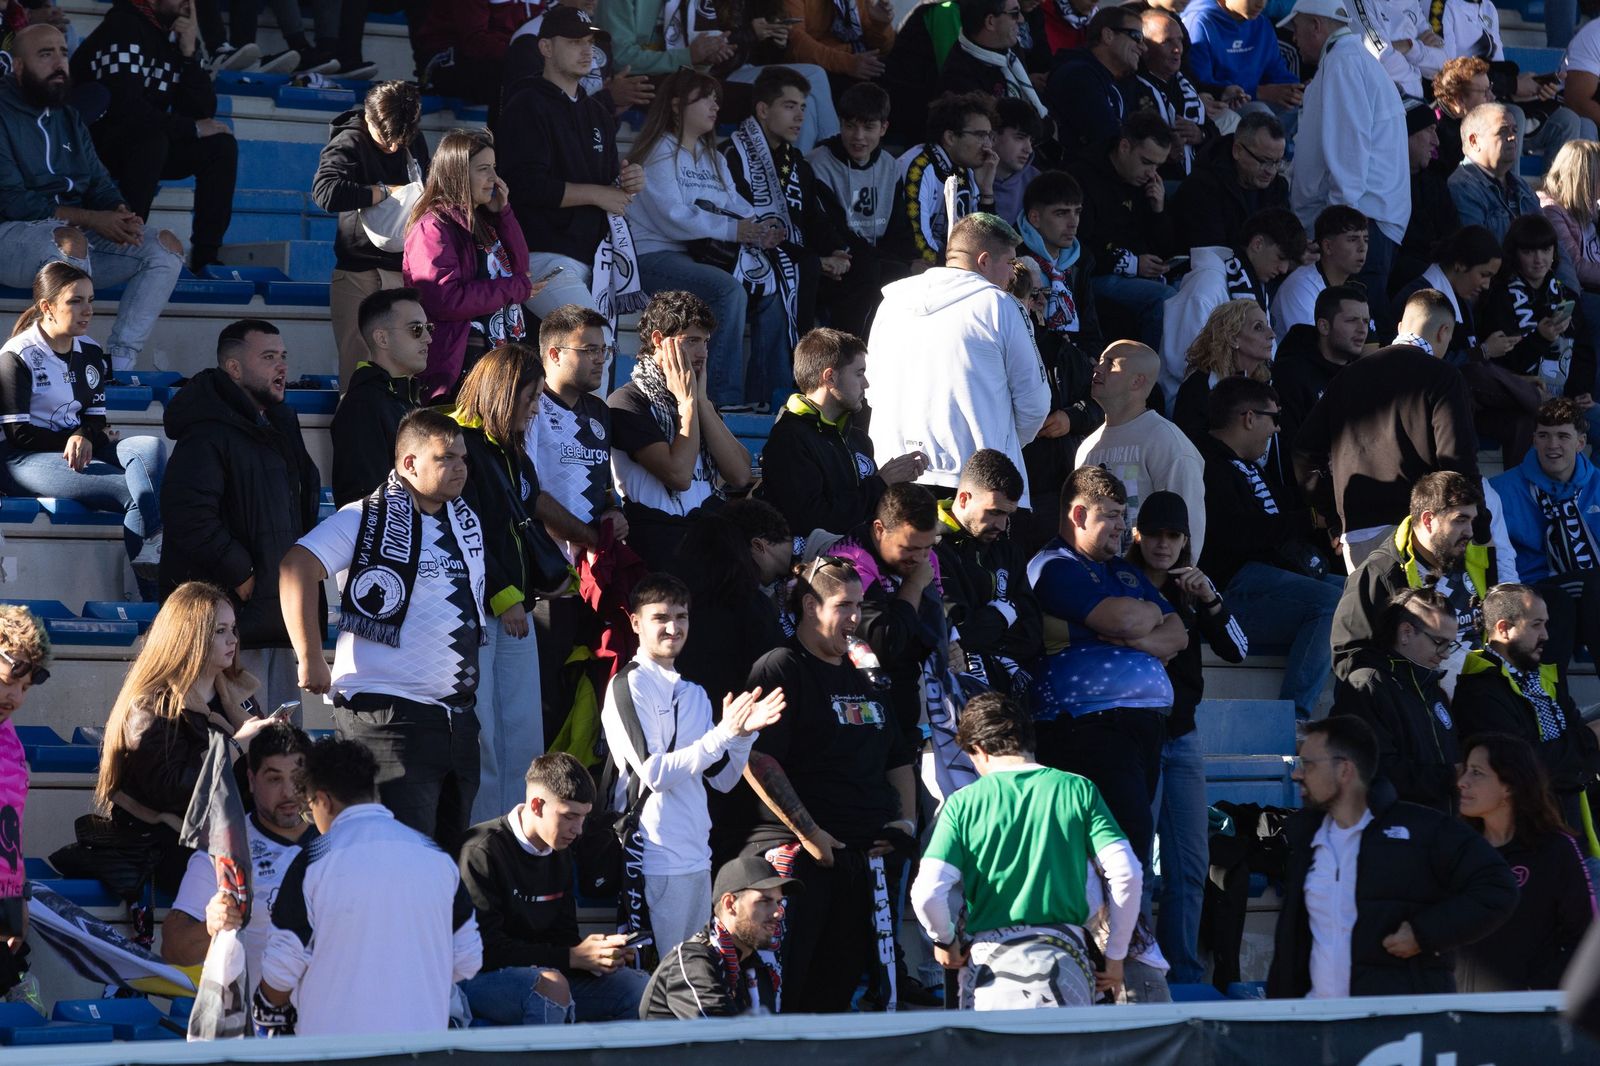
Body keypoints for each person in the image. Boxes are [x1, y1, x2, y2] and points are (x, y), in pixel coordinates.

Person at [280, 410, 488, 853]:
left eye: (463, 458)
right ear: (409, 464)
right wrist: (310, 656)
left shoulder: (465, 523)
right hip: (387, 720)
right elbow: (296, 567)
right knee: (394, 861)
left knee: (445, 869)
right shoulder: (364, 517)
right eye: (445, 457)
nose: (459, 468)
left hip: (456, 722)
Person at [740, 557, 917, 1014]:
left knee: (842, 996)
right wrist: (811, 835)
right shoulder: (782, 666)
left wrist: (906, 821)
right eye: (844, 605)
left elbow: (898, 755)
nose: (856, 617)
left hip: (867, 857)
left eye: (860, 605)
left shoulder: (865, 667)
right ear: (809, 606)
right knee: (790, 991)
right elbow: (758, 760)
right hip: (801, 856)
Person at [910, 691, 1141, 1009]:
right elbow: (1127, 874)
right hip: (1068, 957)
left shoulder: (962, 803)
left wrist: (944, 940)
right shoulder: (1078, 789)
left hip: (989, 966)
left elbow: (927, 892)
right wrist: (1115, 954)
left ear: (978, 750)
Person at [1267, 715, 1518, 998]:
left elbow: (1498, 887)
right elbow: (1293, 950)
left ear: (1345, 770)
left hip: (1397, 1031)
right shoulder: (1306, 840)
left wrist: (1425, 933)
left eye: (1308, 765)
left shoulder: (1423, 830)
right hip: (1320, 1031)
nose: (1297, 774)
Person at [601, 573, 785, 953]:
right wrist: (722, 734)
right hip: (650, 857)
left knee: (692, 976)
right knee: (659, 982)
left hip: (697, 856)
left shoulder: (695, 693)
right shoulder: (628, 684)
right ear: (635, 622)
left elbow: (722, 780)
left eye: (681, 617)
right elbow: (652, 773)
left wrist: (742, 735)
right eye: (661, 618)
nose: (673, 627)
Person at [255, 737, 482, 1037]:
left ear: (322, 800)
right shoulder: (436, 857)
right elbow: (469, 959)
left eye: (310, 808)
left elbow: (282, 968)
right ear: (373, 792)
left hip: (335, 1050)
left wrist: (266, 1006)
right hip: (423, 1047)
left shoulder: (313, 860)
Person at [1027, 464, 1188, 867]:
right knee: (1122, 854)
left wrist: (1137, 626)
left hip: (1140, 728)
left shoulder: (1123, 571)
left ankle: (1123, 929)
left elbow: (1178, 634)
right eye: (1111, 515)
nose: (1122, 526)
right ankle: (1117, 931)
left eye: (1123, 514)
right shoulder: (1053, 565)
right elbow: (1123, 620)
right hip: (1089, 726)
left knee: (1130, 853)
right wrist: (1142, 622)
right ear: (1079, 515)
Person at [160, 320, 322, 716]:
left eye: (283, 357)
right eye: (268, 358)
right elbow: (189, 514)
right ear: (233, 368)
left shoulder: (280, 423)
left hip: (274, 610)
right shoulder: (206, 430)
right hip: (226, 619)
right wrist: (244, 573)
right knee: (236, 739)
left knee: (281, 741)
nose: (281, 367)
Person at [0, 25, 181, 374]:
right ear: (18, 66)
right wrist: (93, 219)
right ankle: (65, 365)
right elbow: (11, 201)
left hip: (70, 236)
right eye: (45, 54)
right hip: (11, 236)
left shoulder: (67, 115)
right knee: (71, 241)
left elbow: (98, 181)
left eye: (63, 53)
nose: (58, 62)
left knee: (164, 248)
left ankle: (119, 363)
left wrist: (120, 212)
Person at [1126, 491, 1244, 984]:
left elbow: (1238, 650)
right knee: (1135, 871)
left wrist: (1210, 600)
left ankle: (1185, 976)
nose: (1163, 544)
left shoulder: (1194, 586)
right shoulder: (1119, 580)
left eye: (1174, 536)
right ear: (1138, 535)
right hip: (1136, 739)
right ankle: (1136, 973)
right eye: (1155, 534)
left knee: (1191, 866)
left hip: (1185, 737)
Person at [92, 582, 270, 902]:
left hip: (228, 833)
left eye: (233, 629)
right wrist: (235, 749)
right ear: (190, 637)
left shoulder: (238, 695)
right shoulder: (151, 705)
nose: (233, 639)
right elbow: (171, 789)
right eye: (219, 631)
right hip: (168, 844)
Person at [625, 70, 787, 411]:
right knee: (728, 290)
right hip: (656, 256)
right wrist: (733, 231)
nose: (715, 106)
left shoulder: (710, 154)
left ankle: (769, 397)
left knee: (774, 289)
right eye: (706, 98)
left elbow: (735, 204)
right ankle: (722, 399)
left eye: (717, 99)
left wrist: (763, 227)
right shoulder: (658, 151)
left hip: (703, 256)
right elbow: (671, 218)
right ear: (676, 105)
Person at [866, 213, 1049, 505]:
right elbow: (1035, 404)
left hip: (893, 474)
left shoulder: (891, 302)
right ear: (985, 261)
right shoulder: (1001, 306)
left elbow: (870, 388)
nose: (1012, 276)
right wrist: (1003, 443)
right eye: (1009, 264)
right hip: (976, 487)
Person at [448, 344, 559, 826]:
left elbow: (522, 522)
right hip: (480, 614)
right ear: (503, 392)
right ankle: (482, 839)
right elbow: (463, 530)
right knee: (486, 738)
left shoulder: (508, 449)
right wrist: (504, 594)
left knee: (522, 733)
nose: (535, 409)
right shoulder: (459, 446)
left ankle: (520, 833)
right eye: (530, 397)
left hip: (516, 610)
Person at [455, 751, 650, 1025]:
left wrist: (598, 955)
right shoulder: (480, 850)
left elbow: (563, 937)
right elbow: (484, 951)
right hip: (478, 981)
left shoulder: (560, 849)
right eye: (570, 816)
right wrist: (571, 957)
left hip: (547, 972)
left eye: (583, 817)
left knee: (637, 987)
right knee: (552, 987)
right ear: (536, 805)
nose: (579, 829)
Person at [0, 262, 165, 579]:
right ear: (47, 307)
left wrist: (87, 435)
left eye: (90, 300)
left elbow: (96, 420)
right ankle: (150, 596)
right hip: (23, 459)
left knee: (149, 446)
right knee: (133, 493)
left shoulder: (90, 350)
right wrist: (79, 438)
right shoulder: (17, 354)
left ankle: (155, 539)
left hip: (79, 447)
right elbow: (19, 434)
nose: (87, 310)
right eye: (75, 301)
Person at [1293, 287, 1478, 569]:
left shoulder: (1346, 377)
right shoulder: (1443, 377)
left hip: (1356, 535)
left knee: (1373, 614)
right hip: (1420, 532)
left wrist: (1334, 515)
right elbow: (1457, 461)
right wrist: (1478, 528)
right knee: (1425, 614)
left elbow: (1305, 450)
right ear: (1443, 333)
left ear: (1401, 327)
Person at [1199, 376, 1341, 719]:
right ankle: (1294, 715)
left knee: (1362, 593)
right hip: (1235, 588)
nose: (1277, 429)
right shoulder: (1208, 466)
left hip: (1270, 580)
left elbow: (1278, 514)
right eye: (1273, 419)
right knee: (1332, 603)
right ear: (1249, 418)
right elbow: (1239, 535)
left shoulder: (1245, 466)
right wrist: (1309, 519)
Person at [499, 7, 648, 322]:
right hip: (540, 255)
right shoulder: (526, 103)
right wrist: (598, 194)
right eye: (574, 42)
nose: (586, 50)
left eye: (589, 42)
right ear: (546, 48)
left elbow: (608, 189)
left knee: (593, 356)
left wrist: (626, 183)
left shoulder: (597, 113)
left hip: (597, 260)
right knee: (591, 339)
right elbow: (525, 186)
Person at [73, 0, 236, 275]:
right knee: (151, 140)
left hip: (141, 141)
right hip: (91, 145)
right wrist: (191, 128)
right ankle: (124, 247)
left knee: (220, 146)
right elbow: (124, 108)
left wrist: (188, 53)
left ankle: (206, 258)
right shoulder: (122, 26)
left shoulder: (171, 36)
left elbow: (202, 111)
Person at [723, 65, 853, 398]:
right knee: (784, 281)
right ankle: (773, 395)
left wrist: (837, 251)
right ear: (763, 110)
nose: (799, 117)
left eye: (803, 108)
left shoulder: (794, 160)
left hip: (791, 256)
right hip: (737, 254)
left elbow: (812, 215)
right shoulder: (732, 153)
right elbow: (749, 224)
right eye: (789, 106)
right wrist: (812, 258)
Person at [161, 722, 315, 993]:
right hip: (255, 1028)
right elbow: (174, 949)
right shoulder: (225, 851)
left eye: (298, 776)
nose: (289, 792)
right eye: (274, 778)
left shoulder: (338, 844)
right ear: (252, 780)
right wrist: (210, 927)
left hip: (329, 1028)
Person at [607, 290, 753, 570]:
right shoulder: (628, 401)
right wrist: (687, 402)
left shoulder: (699, 401)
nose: (703, 353)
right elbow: (678, 475)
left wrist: (700, 402)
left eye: (706, 342)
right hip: (657, 551)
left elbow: (740, 474)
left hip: (706, 544)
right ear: (659, 340)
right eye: (692, 341)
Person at [1284, 0, 1408, 322]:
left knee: (1356, 340)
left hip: (1359, 223)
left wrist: (1338, 227)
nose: (1293, 40)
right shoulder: (1349, 60)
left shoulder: (1344, 63)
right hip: (1364, 221)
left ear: (1316, 26)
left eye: (1296, 30)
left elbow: (1348, 149)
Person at [1455, 732, 1597, 991]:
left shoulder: (1555, 849)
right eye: (1465, 770)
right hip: (1461, 1015)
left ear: (1510, 785)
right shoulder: (1454, 849)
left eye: (1476, 772)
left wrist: (1537, 990)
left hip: (1530, 1016)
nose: (1462, 782)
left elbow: (1586, 938)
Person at [1332, 471, 1500, 689]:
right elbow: (1352, 657)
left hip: (1485, 687)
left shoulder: (1474, 557)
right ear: (1429, 520)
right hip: (1424, 695)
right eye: (1460, 520)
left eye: (1471, 521)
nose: (1469, 531)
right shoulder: (1380, 573)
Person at [403, 128, 536, 401]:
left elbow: (520, 270)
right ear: (458, 173)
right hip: (460, 367)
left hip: (499, 361)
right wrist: (514, 288)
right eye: (483, 169)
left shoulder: (488, 220)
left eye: (495, 168)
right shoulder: (433, 227)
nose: (494, 179)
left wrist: (504, 214)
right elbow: (445, 299)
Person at [312, 81, 430, 387]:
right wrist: (380, 193)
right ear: (369, 117)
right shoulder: (350, 140)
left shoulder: (412, 140)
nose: (393, 147)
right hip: (359, 271)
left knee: (407, 369)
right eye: (385, 139)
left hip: (406, 268)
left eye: (400, 140)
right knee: (359, 372)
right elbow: (325, 192)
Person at [1454, 584, 1600, 831]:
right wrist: (1592, 737)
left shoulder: (1543, 677)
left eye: (1545, 624)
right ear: (1503, 629)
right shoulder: (1479, 692)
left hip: (1568, 828)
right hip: (1526, 843)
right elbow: (1524, 766)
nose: (1546, 635)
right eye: (1536, 625)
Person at [1393, 225, 1540, 467]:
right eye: (1484, 275)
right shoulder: (1418, 298)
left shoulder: (1461, 300)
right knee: (1476, 373)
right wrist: (1483, 352)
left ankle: (1518, 494)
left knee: (1521, 422)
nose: (1486, 285)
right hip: (1435, 398)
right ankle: (1535, 400)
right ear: (1460, 264)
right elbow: (1421, 361)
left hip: (1465, 397)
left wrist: (1515, 378)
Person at [758, 327, 921, 537]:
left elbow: (868, 511)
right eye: (859, 373)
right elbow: (812, 521)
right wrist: (880, 483)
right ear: (830, 378)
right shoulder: (789, 438)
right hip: (818, 565)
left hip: (862, 556)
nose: (866, 383)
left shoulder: (858, 439)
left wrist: (898, 485)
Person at [1331, 586, 1462, 812]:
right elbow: (1375, 772)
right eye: (1439, 642)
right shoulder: (1367, 686)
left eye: (1451, 644)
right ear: (1406, 632)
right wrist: (1451, 777)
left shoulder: (1434, 692)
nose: (1446, 654)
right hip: (1395, 835)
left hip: (1439, 833)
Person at [1076, 341, 1208, 558]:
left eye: (1110, 364)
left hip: (1149, 586)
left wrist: (1176, 584)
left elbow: (1188, 521)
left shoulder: (1167, 441)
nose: (1097, 369)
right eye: (1100, 362)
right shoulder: (1087, 447)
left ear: (1137, 381)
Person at [1159, 207, 1301, 406]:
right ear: (1258, 244)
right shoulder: (1206, 286)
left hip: (1235, 401)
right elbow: (1185, 362)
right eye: (1280, 257)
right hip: (1193, 406)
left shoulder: (1253, 284)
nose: (1284, 269)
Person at [805, 82, 912, 338]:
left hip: (875, 259)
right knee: (870, 272)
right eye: (850, 126)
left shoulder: (889, 165)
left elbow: (899, 227)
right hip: (838, 262)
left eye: (868, 127)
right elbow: (829, 229)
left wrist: (911, 260)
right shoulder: (817, 163)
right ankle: (850, 353)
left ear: (884, 128)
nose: (858, 136)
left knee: (907, 273)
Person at [933, 450, 1042, 694]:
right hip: (959, 696)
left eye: (1008, 515)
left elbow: (1032, 634)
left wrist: (981, 632)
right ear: (963, 499)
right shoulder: (930, 548)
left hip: (1011, 693)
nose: (1002, 525)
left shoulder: (1009, 550)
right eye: (994, 512)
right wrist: (1005, 615)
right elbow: (953, 629)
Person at [1071, 112, 1179, 349]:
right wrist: (1132, 264)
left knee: (1187, 290)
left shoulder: (1145, 184)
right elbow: (1077, 248)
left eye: (1158, 166)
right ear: (1124, 147)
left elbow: (1163, 247)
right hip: (1095, 277)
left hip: (1134, 274)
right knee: (1164, 298)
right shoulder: (1083, 177)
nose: (1152, 173)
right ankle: (1153, 380)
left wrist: (1158, 210)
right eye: (1146, 162)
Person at [638, 855, 794, 1018]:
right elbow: (723, 1037)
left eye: (778, 902)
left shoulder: (753, 966)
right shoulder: (692, 961)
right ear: (730, 905)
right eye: (764, 901)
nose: (777, 912)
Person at [329, 288, 429, 507]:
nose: (428, 338)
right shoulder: (362, 406)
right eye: (416, 329)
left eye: (428, 328)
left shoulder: (408, 398)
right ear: (382, 338)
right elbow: (364, 500)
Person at [897, 92, 1000, 265]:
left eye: (989, 136)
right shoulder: (918, 167)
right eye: (980, 135)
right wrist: (962, 269)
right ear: (950, 137)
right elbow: (918, 244)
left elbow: (986, 241)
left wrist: (986, 191)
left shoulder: (968, 169)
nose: (987, 145)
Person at [0, 605, 48, 980]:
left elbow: (9, 830)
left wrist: (17, 897)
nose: (14, 696)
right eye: (7, 681)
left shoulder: (10, 740)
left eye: (25, 688)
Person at [1170, 111, 1289, 257]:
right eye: (1264, 161)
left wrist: (1297, 252)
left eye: (1277, 163)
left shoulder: (1278, 186)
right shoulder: (1201, 188)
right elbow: (1213, 253)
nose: (1271, 171)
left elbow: (1284, 237)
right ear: (1237, 151)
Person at [1271, 283, 1369, 458]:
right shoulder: (1290, 374)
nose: (1362, 329)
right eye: (1351, 320)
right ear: (1324, 326)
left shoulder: (1362, 375)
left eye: (1366, 321)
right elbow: (1287, 448)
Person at [1124, 8, 1214, 181]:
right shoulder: (1133, 87)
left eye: (1179, 40)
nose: (1177, 49)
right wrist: (1165, 153)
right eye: (1166, 42)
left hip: (1197, 176)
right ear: (1144, 47)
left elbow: (1212, 131)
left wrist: (1200, 134)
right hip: (1157, 181)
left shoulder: (1183, 83)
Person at [1044, 6, 1143, 162]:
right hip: (1081, 180)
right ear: (1108, 35)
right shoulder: (1077, 75)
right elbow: (1106, 138)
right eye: (1136, 36)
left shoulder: (1117, 81)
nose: (1143, 47)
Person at [1170, 299, 1274, 446]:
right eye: (1258, 327)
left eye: (1268, 326)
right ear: (1232, 338)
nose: (1272, 334)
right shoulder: (1197, 388)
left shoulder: (1269, 382)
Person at [941, 0, 1046, 125]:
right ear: (990, 22)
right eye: (1015, 13)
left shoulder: (1010, 49)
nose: (1021, 19)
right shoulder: (959, 77)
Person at [1449, 103, 1543, 244]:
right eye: (1503, 131)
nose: (1513, 137)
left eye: (1515, 130)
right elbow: (1479, 253)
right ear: (1474, 141)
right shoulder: (1462, 187)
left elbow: (1552, 243)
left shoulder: (1522, 187)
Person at [1271, 205, 1369, 338]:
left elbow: (1368, 348)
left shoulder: (1357, 287)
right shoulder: (1300, 286)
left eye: (1366, 240)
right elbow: (1311, 348)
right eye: (1352, 240)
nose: (1362, 247)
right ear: (1327, 246)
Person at [1182, 0, 1300, 108]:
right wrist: (1258, 92)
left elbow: (1278, 73)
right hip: (1222, 109)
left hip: (1257, 102)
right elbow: (1202, 86)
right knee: (1260, 110)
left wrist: (1298, 90)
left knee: (1305, 108)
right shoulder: (1200, 22)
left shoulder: (1262, 23)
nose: (1261, 4)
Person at [1398, 98, 1462, 293]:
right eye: (1429, 130)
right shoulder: (1385, 187)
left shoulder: (1435, 182)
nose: (1436, 141)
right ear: (1407, 134)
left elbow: (1453, 233)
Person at [1539, 139, 1600, 295]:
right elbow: (1574, 266)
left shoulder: (1590, 206)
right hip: (1583, 293)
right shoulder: (1551, 211)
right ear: (1584, 179)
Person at [988, 99, 1042, 227]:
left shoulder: (1038, 183)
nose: (1029, 149)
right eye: (1020, 137)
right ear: (993, 137)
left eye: (1031, 140)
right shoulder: (965, 177)